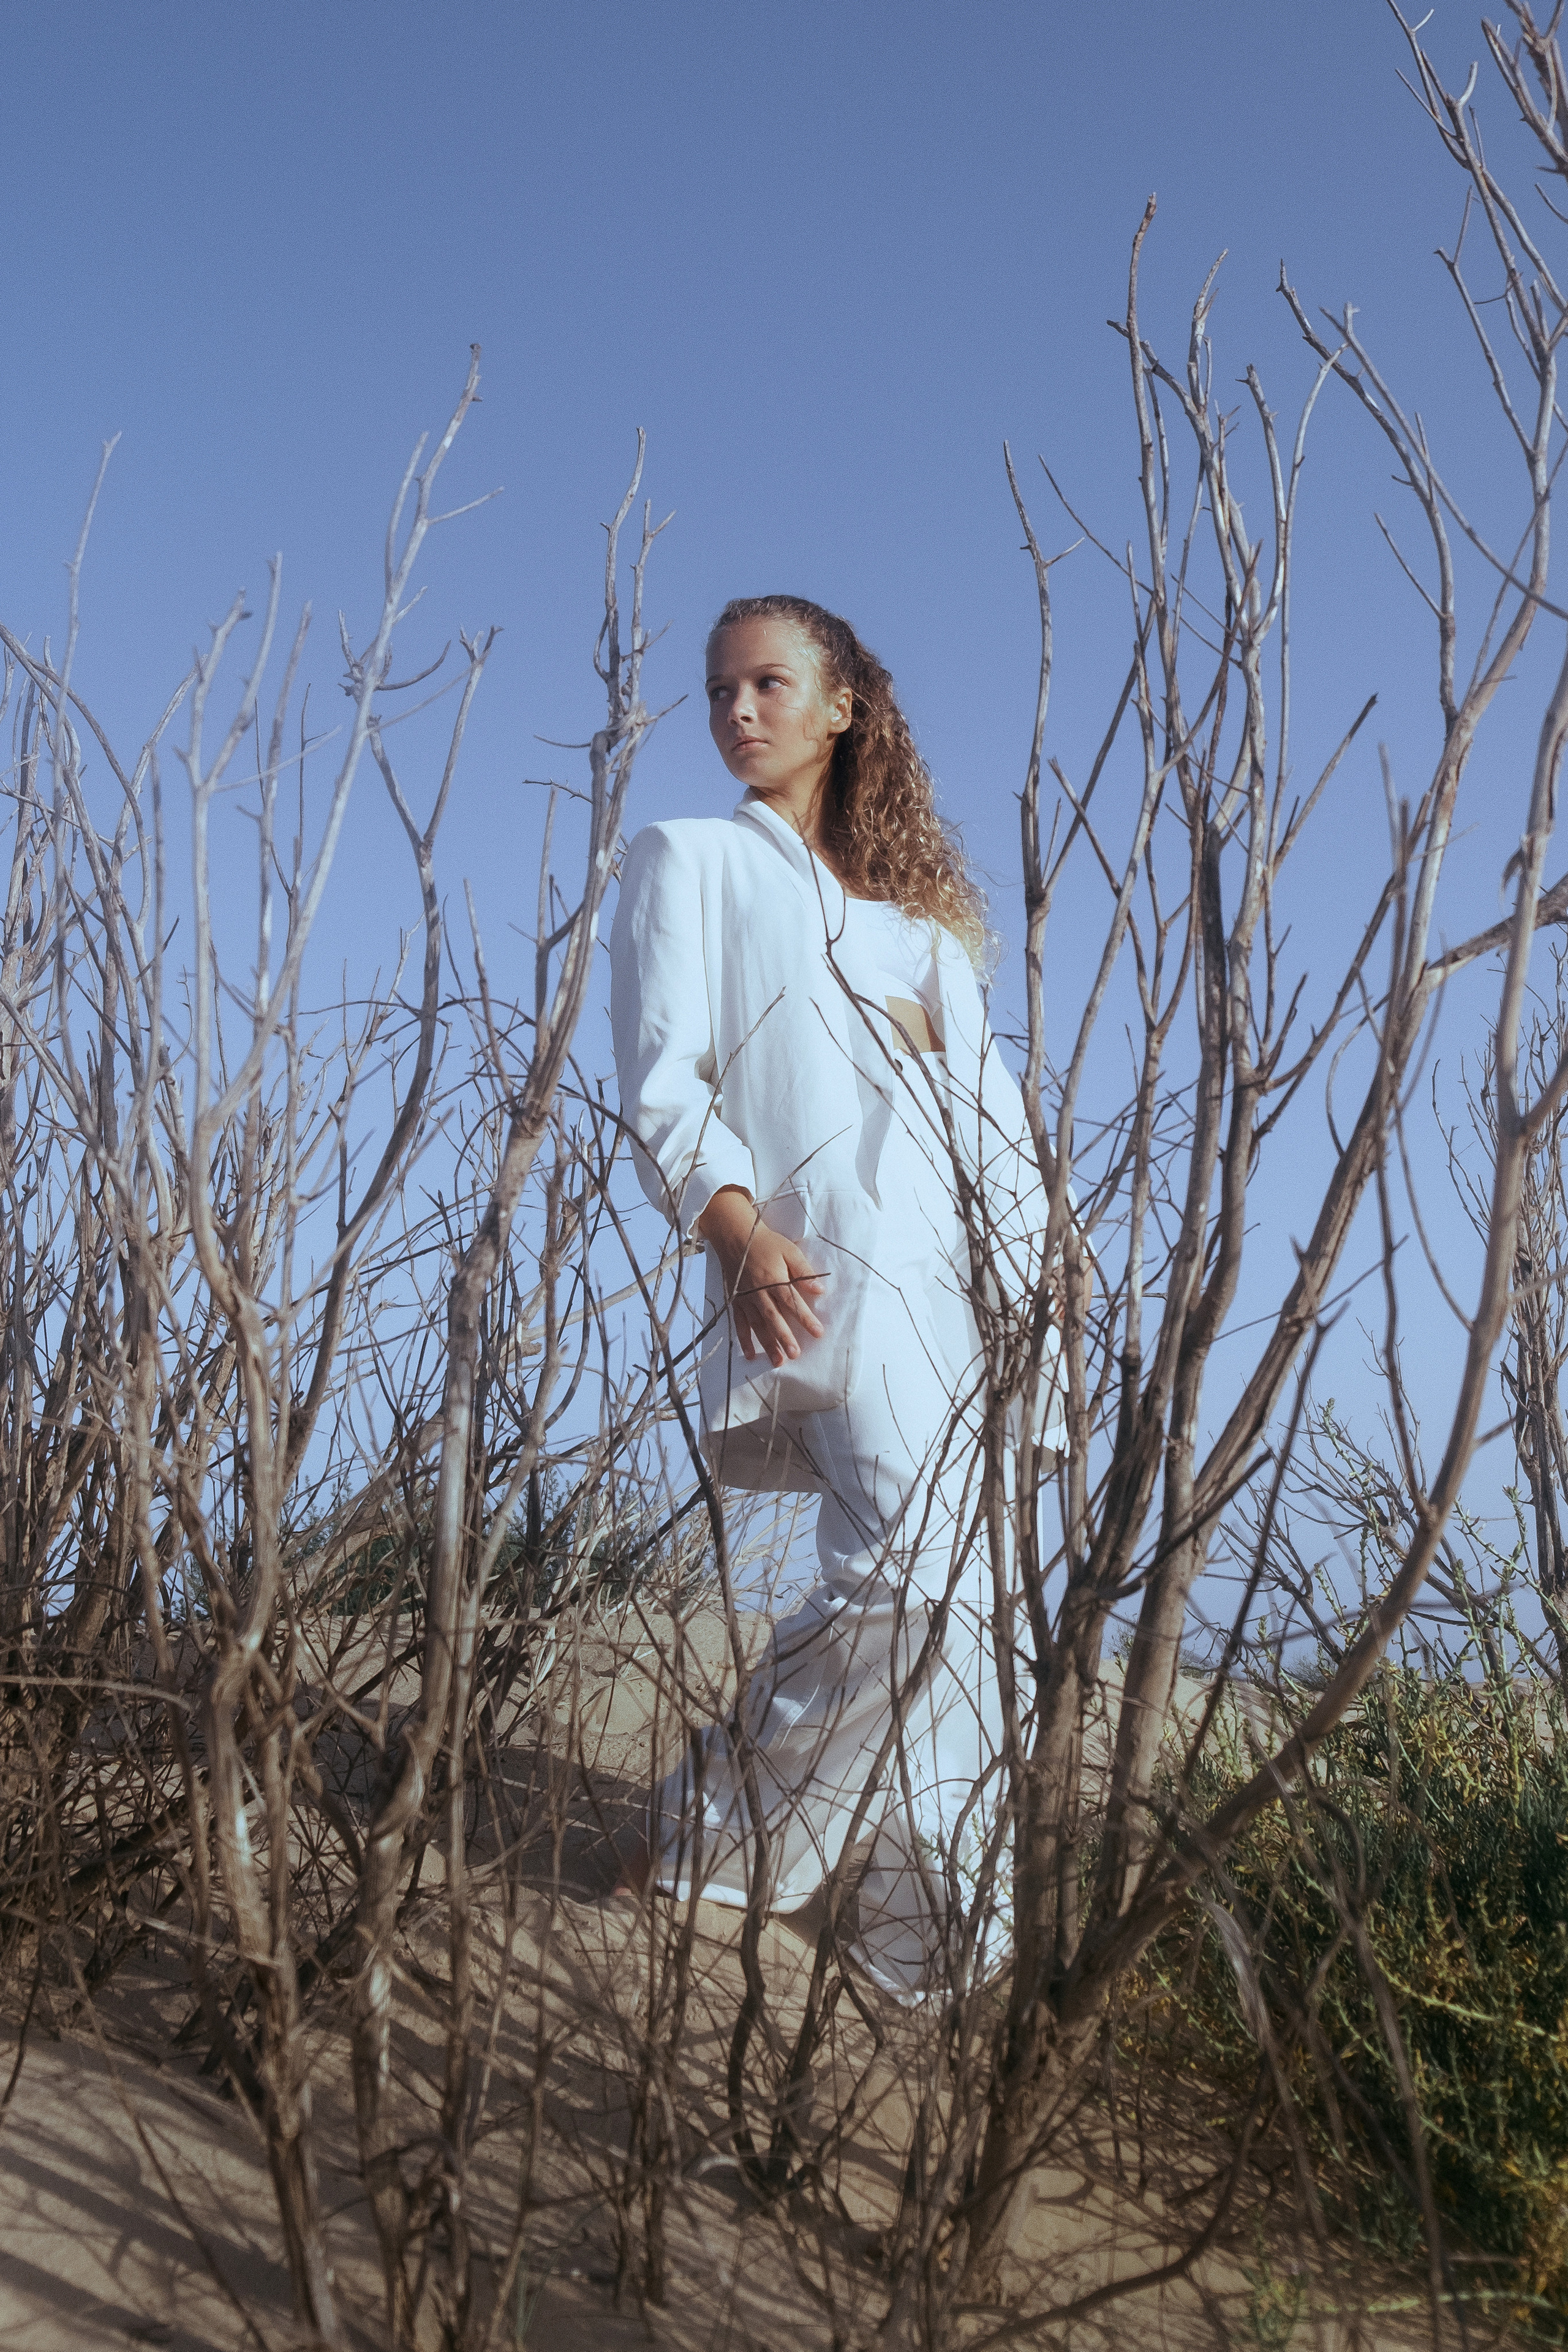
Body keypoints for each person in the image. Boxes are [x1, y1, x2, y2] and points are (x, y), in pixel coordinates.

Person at [607, 595, 1064, 1999]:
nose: (738, 712)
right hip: (827, 1274)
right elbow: (663, 1083)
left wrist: (1048, 1273)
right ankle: (711, 1843)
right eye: (718, 692)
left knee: (983, 1608)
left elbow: (986, 1125)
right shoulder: (686, 861)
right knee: (900, 1581)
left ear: (843, 704)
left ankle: (921, 1933)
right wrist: (736, 1233)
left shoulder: (927, 934)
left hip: (979, 1287)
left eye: (767, 684)